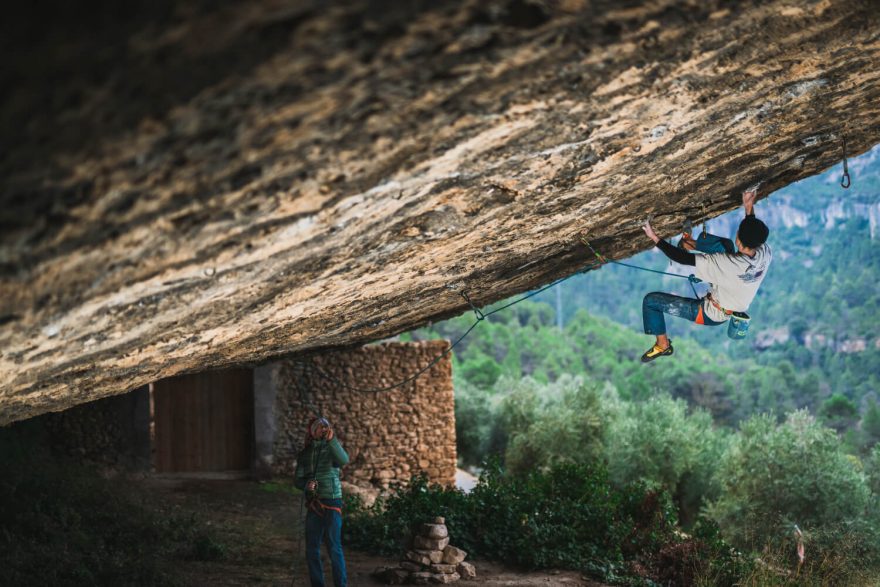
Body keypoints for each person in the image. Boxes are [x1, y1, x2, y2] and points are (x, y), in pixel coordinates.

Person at [639, 187, 771, 362]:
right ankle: (688, 242)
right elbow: (751, 230)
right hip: (728, 296)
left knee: (651, 301)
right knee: (724, 247)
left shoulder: (729, 264)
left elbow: (682, 259)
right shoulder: (764, 253)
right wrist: (748, 205)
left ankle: (662, 345)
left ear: (739, 240)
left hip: (709, 313)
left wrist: (654, 237)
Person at [294, 417, 350, 587]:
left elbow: (344, 460)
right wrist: (306, 485)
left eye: (325, 426)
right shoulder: (305, 454)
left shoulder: (332, 448)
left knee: (334, 548)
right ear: (312, 431)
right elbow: (297, 480)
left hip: (333, 501)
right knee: (312, 549)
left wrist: (332, 441)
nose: (323, 429)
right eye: (319, 427)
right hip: (314, 504)